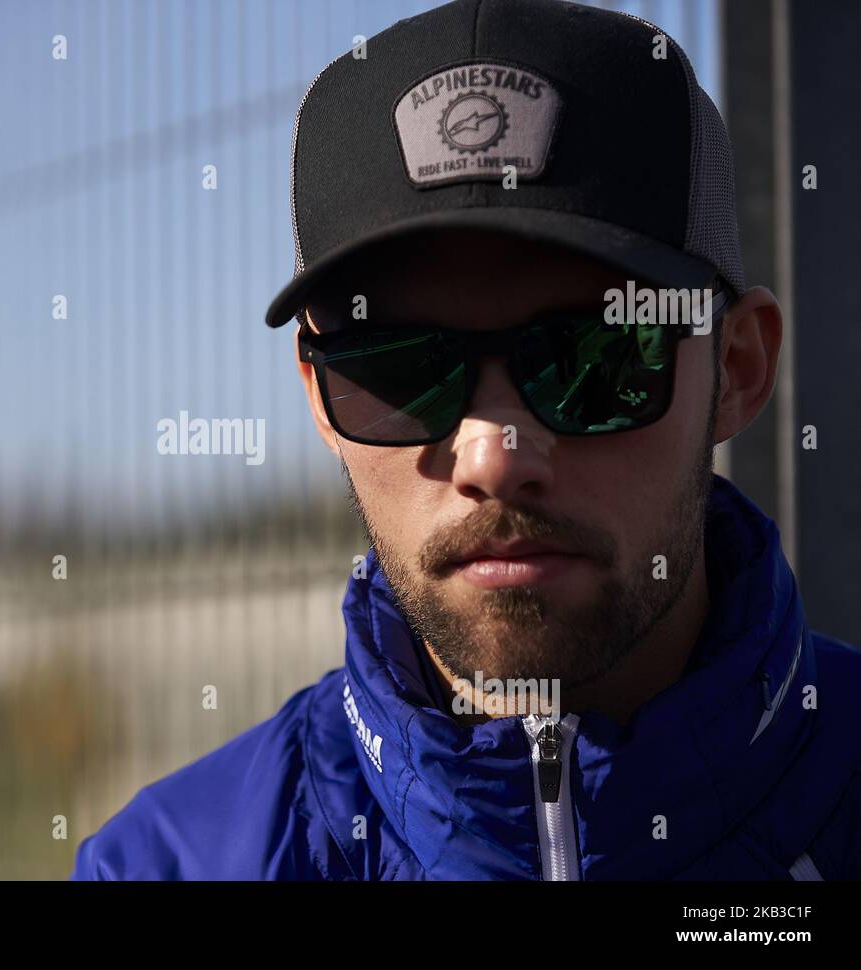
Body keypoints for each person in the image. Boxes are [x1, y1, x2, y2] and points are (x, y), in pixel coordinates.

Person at [71, 0, 861, 880]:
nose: (494, 456)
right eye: (403, 372)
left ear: (740, 370)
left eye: (592, 358)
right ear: (319, 398)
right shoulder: (164, 864)